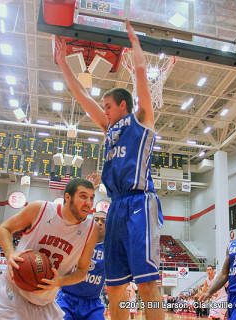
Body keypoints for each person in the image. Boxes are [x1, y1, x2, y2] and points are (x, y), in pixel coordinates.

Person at [57, 19, 164, 320]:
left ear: (122, 106)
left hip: (140, 202)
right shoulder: (108, 129)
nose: (103, 109)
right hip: (116, 205)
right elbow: (82, 96)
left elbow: (142, 83)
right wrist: (63, 63)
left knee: (146, 285)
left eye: (108, 105)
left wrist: (137, 50)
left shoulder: (141, 120)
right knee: (115, 289)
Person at [0, 178, 99, 320]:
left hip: (45, 304)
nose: (88, 203)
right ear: (67, 197)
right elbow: (5, 228)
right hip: (11, 294)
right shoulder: (40, 209)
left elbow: (82, 272)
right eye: (83, 196)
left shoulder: (91, 229)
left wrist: (60, 281)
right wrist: (10, 253)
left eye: (91, 198)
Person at [56, 210, 107, 320]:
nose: (99, 223)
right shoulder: (77, 240)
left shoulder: (111, 249)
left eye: (103, 220)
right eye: (96, 220)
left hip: (92, 303)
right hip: (66, 298)